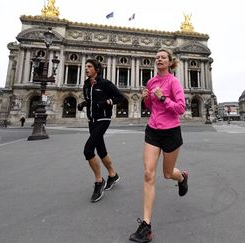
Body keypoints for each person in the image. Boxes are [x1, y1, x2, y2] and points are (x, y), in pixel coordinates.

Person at [129, 48, 188, 243]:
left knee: (168, 173)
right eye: (157, 57)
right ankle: (146, 226)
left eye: (163, 57)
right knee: (148, 174)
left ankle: (182, 177)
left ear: (170, 62)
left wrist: (164, 97)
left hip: (171, 132)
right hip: (153, 130)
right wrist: (147, 97)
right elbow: (150, 107)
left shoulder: (174, 82)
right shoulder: (151, 82)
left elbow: (180, 108)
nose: (159, 59)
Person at [78, 59, 125, 203]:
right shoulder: (86, 85)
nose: (86, 69)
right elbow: (92, 100)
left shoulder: (105, 83)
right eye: (85, 66)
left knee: (88, 150)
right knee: (101, 150)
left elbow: (120, 97)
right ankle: (113, 174)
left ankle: (99, 181)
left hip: (103, 119)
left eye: (89, 66)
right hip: (91, 120)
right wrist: (84, 104)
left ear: (96, 69)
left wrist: (105, 103)